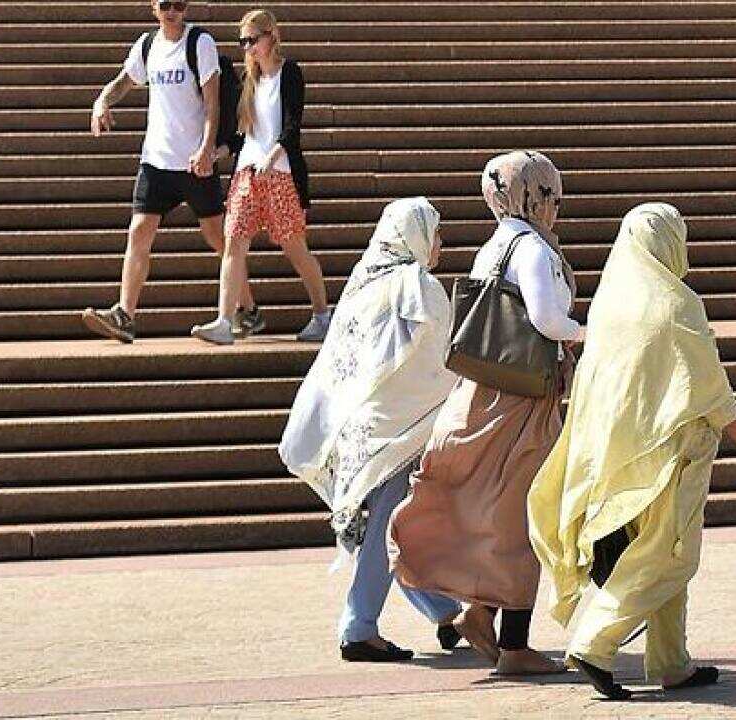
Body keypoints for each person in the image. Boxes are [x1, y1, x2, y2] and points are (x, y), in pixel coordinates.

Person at [528, 203, 736, 700]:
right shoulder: (676, 305)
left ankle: (671, 663)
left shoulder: (610, 304)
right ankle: (594, 643)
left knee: (662, 552)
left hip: (618, 456)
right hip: (669, 456)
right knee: (668, 559)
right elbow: (710, 388)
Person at [388, 151, 580, 676]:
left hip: (483, 394)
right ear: (531, 196)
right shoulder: (534, 250)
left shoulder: (493, 245)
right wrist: (583, 332)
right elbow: (545, 319)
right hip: (522, 403)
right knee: (522, 517)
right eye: (550, 195)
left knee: (496, 513)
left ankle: (481, 614)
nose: (556, 206)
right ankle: (514, 646)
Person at [278, 197, 463, 661]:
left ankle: (445, 612)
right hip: (399, 432)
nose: (440, 243)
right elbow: (441, 359)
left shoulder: (364, 282)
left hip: (361, 429)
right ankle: (359, 627)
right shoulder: (419, 287)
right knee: (388, 526)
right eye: (435, 233)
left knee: (394, 524)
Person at [84, 0, 259, 343]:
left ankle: (248, 309)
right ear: (154, 7)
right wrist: (102, 100)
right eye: (166, 4)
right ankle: (125, 314)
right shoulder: (148, 44)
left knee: (217, 237)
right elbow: (124, 81)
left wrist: (207, 149)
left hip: (194, 160)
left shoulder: (199, 43)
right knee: (139, 231)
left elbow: (213, 104)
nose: (172, 11)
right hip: (156, 160)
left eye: (179, 4)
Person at [191, 8, 330, 345]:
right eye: (243, 42)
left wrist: (273, 155)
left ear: (272, 36)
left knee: (295, 247)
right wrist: (220, 151)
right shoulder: (248, 80)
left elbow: (293, 125)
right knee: (233, 243)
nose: (248, 47)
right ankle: (225, 320)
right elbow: (244, 135)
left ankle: (322, 315)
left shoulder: (289, 73)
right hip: (246, 174)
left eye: (253, 40)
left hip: (281, 174)